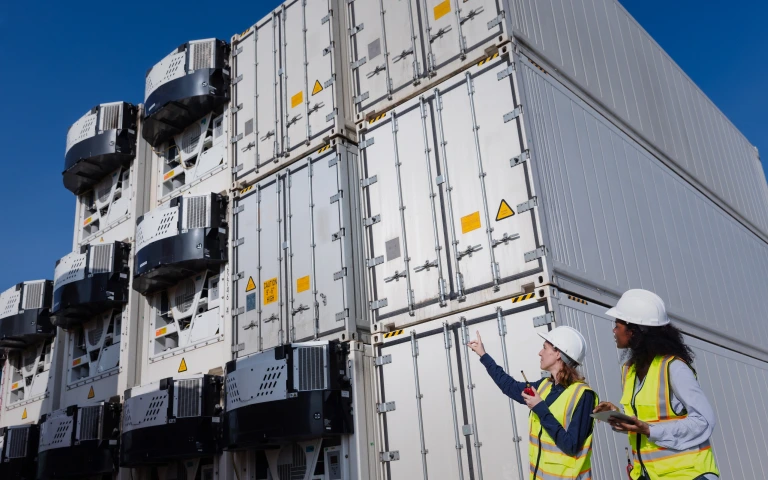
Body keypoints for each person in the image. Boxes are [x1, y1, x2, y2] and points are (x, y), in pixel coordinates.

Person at [594, 289, 720, 480]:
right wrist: (617, 414)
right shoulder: (629, 370)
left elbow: (703, 421)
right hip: (650, 475)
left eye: (617, 325)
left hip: (689, 474)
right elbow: (644, 420)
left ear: (633, 330)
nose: (614, 331)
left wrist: (650, 429)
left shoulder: (674, 367)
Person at [468, 325, 597, 480]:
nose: (540, 353)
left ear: (558, 353)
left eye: (544, 348)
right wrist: (483, 354)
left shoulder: (583, 395)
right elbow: (509, 386)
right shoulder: (544, 386)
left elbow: (571, 445)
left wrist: (540, 408)